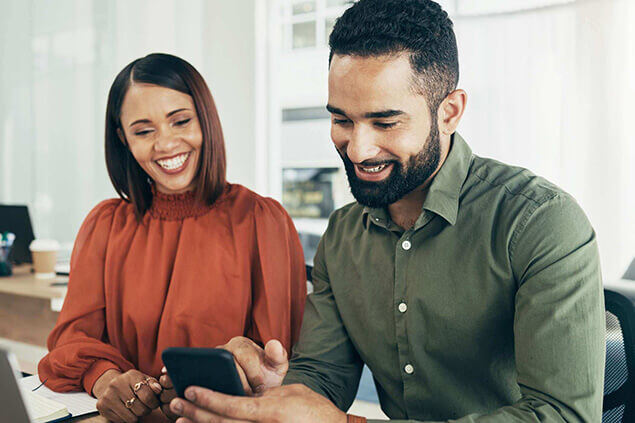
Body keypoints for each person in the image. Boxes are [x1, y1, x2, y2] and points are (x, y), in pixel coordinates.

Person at [166, 1, 605, 422]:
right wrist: (274, 396)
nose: (358, 149)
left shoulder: (540, 223)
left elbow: (562, 416)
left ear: (449, 112)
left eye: (385, 122)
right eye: (341, 120)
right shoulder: (342, 233)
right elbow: (324, 377)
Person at [37, 53, 307, 423]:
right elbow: (71, 340)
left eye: (180, 121)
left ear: (205, 120)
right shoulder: (105, 224)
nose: (165, 144)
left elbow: (279, 361)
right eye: (144, 131)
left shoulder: (262, 221)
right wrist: (105, 379)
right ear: (124, 139)